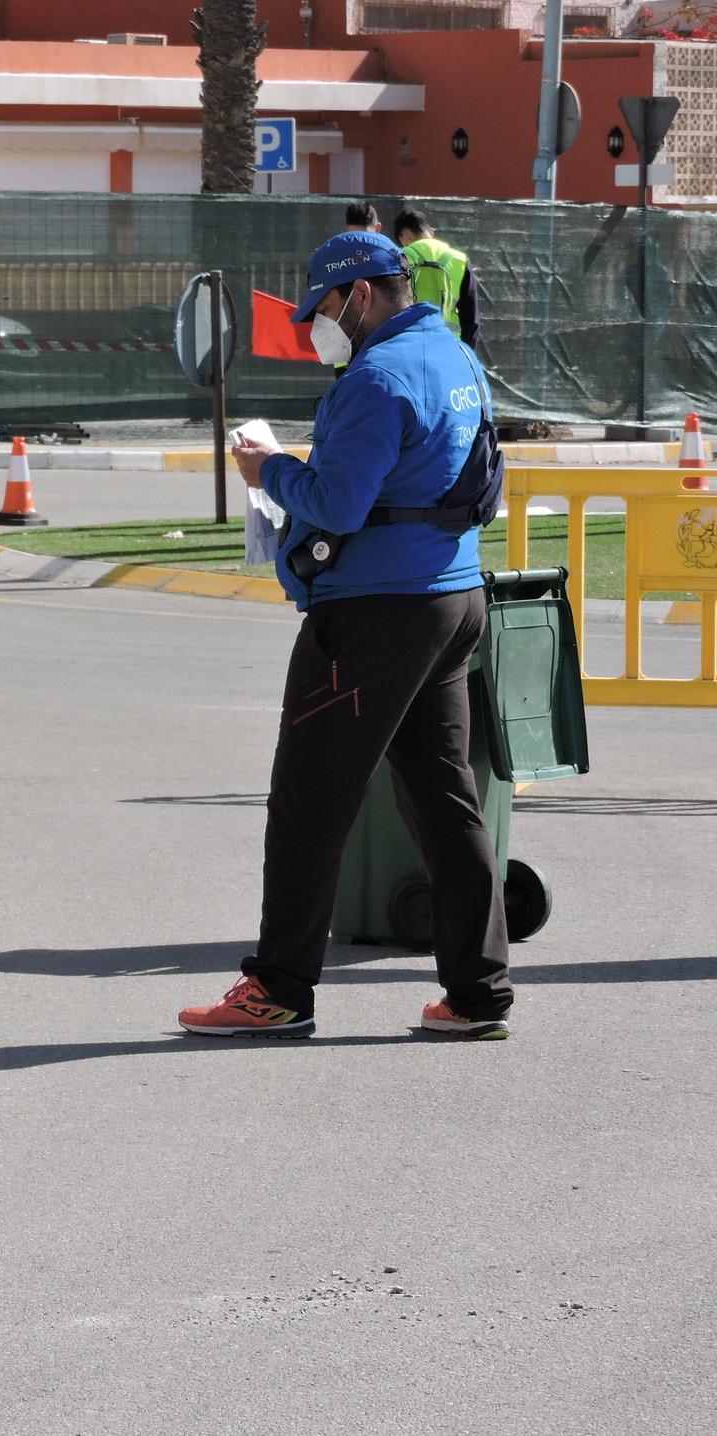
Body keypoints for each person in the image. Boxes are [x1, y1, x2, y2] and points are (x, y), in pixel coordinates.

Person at [179, 231, 512, 1042]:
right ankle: (477, 994)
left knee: (309, 803)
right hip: (451, 597)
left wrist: (270, 470)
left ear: (359, 295)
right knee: (443, 802)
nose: (317, 324)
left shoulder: (376, 375)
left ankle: (280, 989)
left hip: (373, 616)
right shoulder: (455, 358)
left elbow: (337, 502)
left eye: (322, 308)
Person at [395, 208, 483, 353]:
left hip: (409, 348)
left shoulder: (398, 258)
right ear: (431, 232)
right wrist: (466, 356)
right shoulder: (460, 260)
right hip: (449, 349)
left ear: (405, 236)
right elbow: (471, 319)